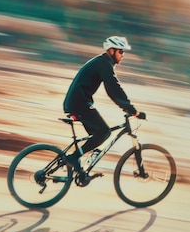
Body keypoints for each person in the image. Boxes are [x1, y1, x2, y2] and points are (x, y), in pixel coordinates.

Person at [62, 36, 145, 181]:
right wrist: (131, 109)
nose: (123, 55)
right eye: (121, 51)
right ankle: (74, 158)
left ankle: (80, 172)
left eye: (123, 52)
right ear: (111, 50)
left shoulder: (102, 62)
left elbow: (113, 90)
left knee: (96, 136)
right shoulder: (104, 64)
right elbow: (113, 88)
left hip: (78, 102)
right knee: (104, 133)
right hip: (79, 104)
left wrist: (125, 106)